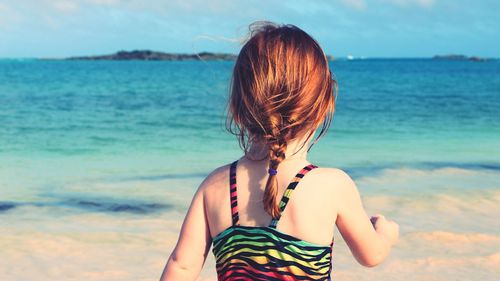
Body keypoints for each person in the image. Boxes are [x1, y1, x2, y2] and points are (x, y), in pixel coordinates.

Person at [160, 21, 399, 281]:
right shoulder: (332, 185)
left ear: (238, 109)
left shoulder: (215, 185)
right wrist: (385, 234)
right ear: (322, 106)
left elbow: (181, 266)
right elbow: (371, 255)